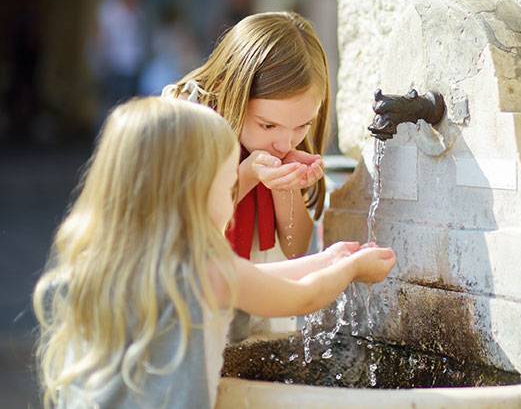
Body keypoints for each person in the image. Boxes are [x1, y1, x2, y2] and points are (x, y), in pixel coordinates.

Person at [32, 97, 395, 408]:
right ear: (194, 195)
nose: (231, 199)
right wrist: (350, 271)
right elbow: (301, 298)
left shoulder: (103, 262)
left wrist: (327, 259)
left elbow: (252, 280)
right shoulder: (206, 269)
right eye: (228, 187)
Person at [163, 11, 335, 340]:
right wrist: (248, 174)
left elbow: (295, 248)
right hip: (199, 315)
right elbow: (184, 222)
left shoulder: (282, 140)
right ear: (233, 89)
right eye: (267, 125)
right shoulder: (185, 119)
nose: (285, 141)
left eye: (302, 125)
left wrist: (286, 186)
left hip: (258, 313)